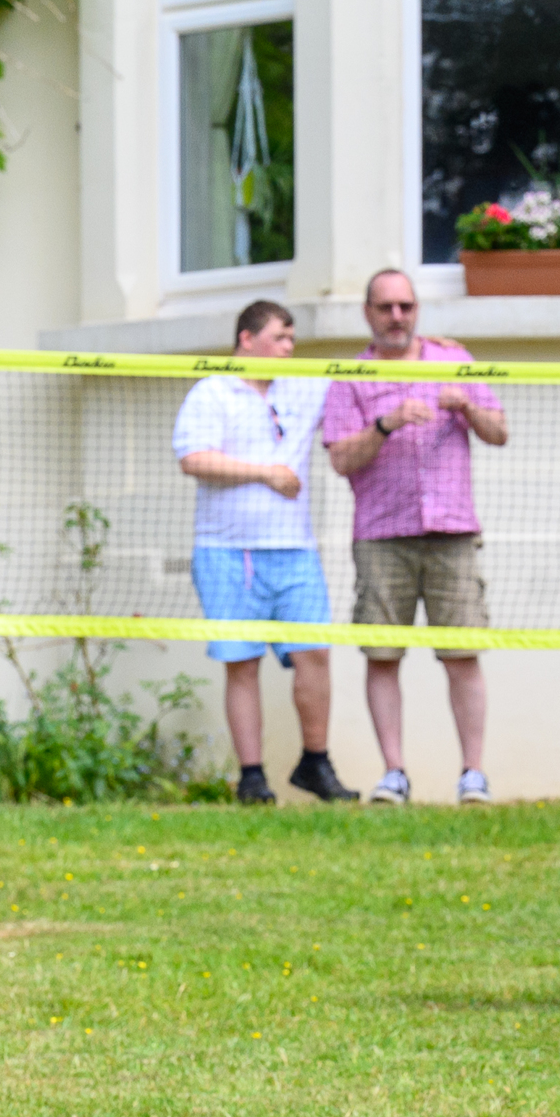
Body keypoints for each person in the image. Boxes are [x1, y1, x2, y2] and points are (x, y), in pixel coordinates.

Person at [321, 269, 506, 804]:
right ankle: (394, 774)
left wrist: (467, 406)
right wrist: (386, 424)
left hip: (452, 530)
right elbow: (339, 459)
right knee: (382, 656)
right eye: (386, 307)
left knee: (462, 654)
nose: (397, 316)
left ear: (417, 309)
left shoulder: (455, 359)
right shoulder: (348, 375)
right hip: (382, 535)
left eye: (406, 306)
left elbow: (500, 432)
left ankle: (473, 774)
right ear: (368, 313)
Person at [171, 299, 355, 804]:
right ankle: (251, 778)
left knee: (315, 653)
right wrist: (264, 473)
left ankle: (315, 763)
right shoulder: (212, 391)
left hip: (295, 549)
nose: (290, 348)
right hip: (228, 551)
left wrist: (434, 351)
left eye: (293, 339)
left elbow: (362, 380)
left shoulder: (303, 387)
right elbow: (193, 457)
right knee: (242, 662)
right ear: (247, 340)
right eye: (281, 338)